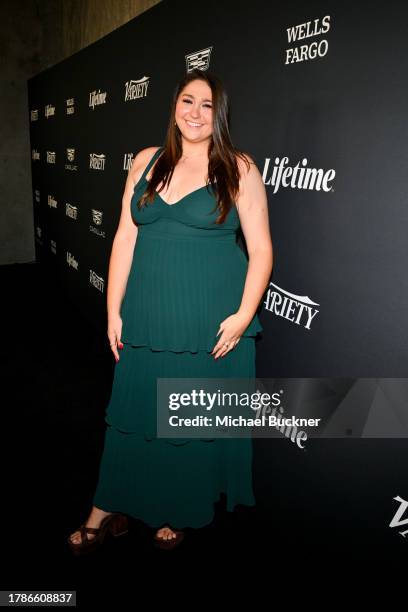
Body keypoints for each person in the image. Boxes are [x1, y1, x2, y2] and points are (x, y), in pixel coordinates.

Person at [67, 68, 273, 553]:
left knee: (183, 421)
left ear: (218, 115)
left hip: (208, 318)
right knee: (134, 414)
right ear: (174, 107)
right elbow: (124, 236)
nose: (195, 113)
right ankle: (107, 502)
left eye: (206, 105)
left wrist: (243, 316)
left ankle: (175, 505)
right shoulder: (145, 161)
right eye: (187, 101)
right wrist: (113, 310)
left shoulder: (239, 167)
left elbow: (261, 250)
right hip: (147, 314)